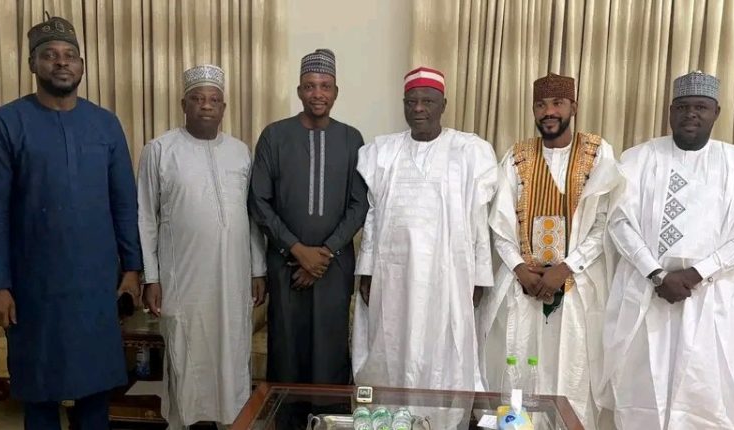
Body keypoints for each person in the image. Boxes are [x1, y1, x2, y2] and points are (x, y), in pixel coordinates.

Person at [0, 15, 141, 429]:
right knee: (40, 394)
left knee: (96, 393)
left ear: (82, 65)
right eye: (50, 55)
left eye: (70, 55)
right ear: (32, 64)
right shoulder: (5, 123)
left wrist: (132, 268)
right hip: (33, 288)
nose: (61, 62)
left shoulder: (105, 123)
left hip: (95, 285)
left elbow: (124, 202)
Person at [601, 71, 734, 429]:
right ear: (670, 112)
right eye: (682, 107)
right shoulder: (637, 158)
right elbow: (619, 221)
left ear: (716, 112)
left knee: (706, 396)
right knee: (640, 392)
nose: (690, 114)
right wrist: (657, 274)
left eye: (700, 107)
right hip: (647, 292)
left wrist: (697, 273)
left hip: (712, 297)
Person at [479, 73, 621, 429]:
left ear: (573, 107)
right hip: (521, 287)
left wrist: (566, 268)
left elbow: (604, 222)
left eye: (557, 103)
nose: (549, 112)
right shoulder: (517, 155)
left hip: (576, 287)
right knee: (518, 368)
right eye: (541, 105)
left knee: (571, 370)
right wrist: (519, 268)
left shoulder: (597, 152)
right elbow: (499, 223)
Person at [352, 66, 497, 392]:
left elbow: (479, 219)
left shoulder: (469, 151)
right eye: (411, 102)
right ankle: (392, 415)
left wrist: (479, 278)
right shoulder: (382, 152)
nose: (418, 109)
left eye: (427, 102)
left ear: (443, 104)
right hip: (394, 276)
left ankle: (440, 417)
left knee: (443, 349)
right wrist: (367, 271)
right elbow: (373, 216)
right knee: (392, 343)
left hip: (449, 275)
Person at [138, 65, 266, 429]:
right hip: (184, 277)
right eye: (197, 98)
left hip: (233, 276)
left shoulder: (241, 152)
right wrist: (151, 277)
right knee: (188, 349)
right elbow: (145, 217)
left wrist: (258, 269)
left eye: (213, 100)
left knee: (232, 349)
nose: (206, 105)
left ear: (224, 107)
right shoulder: (159, 150)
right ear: (184, 104)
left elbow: (252, 216)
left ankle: (232, 419)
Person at [248, 48, 368, 385]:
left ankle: (328, 414)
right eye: (310, 86)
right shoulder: (274, 136)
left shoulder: (352, 139)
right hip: (286, 264)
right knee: (287, 349)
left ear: (336, 92)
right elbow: (259, 201)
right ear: (299, 91)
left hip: (335, 266)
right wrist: (297, 250)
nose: (318, 94)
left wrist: (324, 254)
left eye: (325, 86)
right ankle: (285, 414)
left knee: (331, 351)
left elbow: (360, 204)